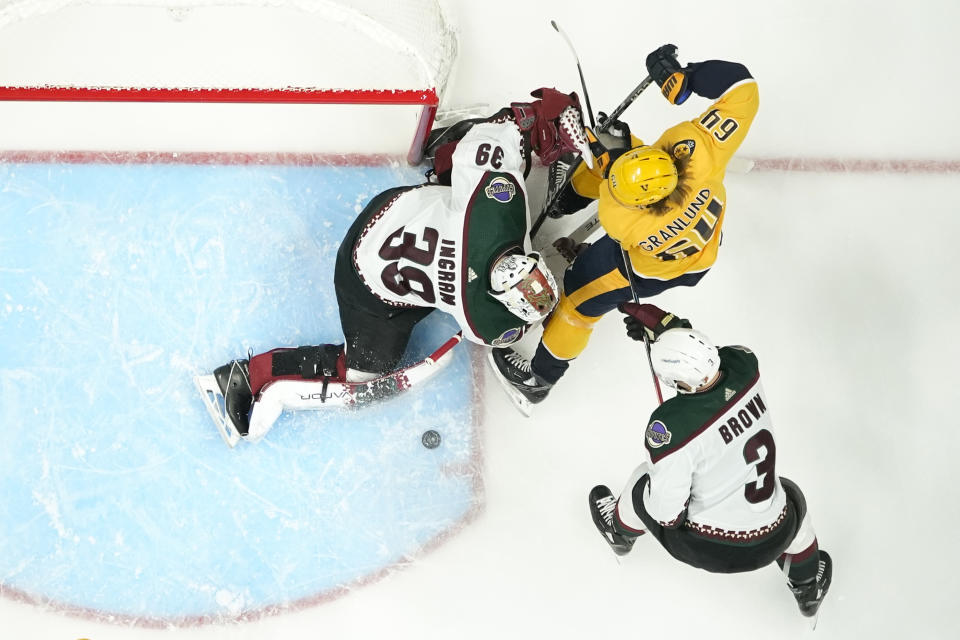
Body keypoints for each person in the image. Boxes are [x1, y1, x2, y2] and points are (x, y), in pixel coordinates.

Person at [205, 90, 592, 442]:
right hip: (364, 283)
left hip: (391, 210)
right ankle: (247, 376)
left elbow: (510, 126)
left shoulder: (497, 209)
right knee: (361, 374)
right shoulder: (489, 325)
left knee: (481, 172)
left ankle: (447, 148)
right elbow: (527, 323)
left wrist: (551, 117)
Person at [491, 44, 760, 408]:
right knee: (612, 154)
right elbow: (742, 86)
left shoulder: (624, 222)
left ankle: (538, 380)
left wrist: (605, 156)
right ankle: (564, 200)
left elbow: (612, 182)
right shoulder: (701, 149)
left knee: (577, 301)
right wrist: (688, 77)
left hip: (650, 268)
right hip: (700, 239)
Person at [588, 302, 832, 618]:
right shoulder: (745, 364)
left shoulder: (671, 426)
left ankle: (618, 532)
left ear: (678, 383)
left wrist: (682, 508)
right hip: (777, 535)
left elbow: (666, 514)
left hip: (713, 549)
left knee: (641, 484)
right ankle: (807, 585)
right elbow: (713, 357)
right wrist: (668, 328)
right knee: (791, 500)